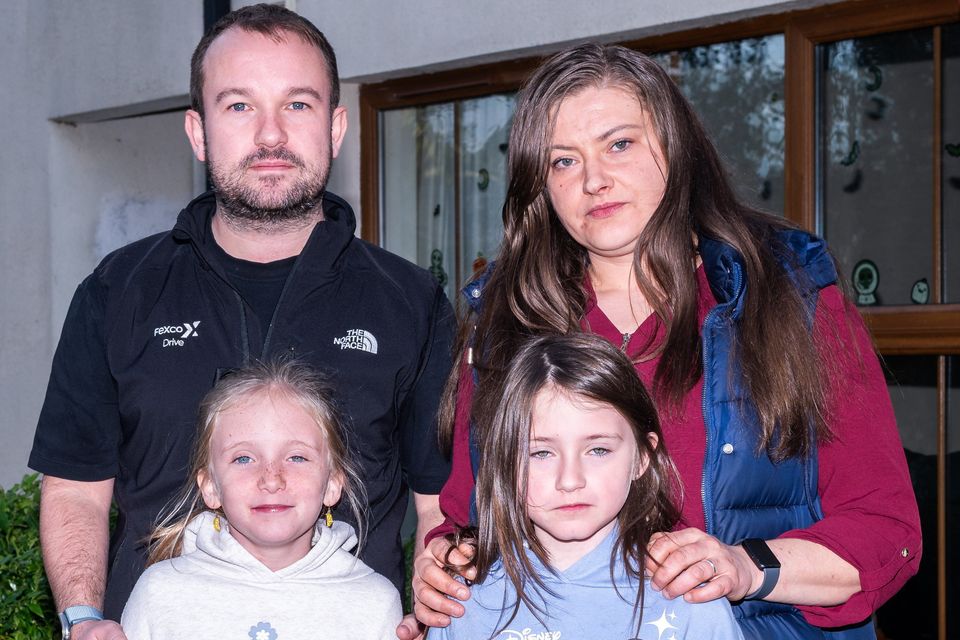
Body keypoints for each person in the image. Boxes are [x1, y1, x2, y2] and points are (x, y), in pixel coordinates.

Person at [413, 43, 921, 639]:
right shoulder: (508, 323)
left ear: (676, 148)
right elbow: (468, 519)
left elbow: (887, 533)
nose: (594, 180)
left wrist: (742, 566)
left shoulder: (790, 298)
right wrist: (444, 567)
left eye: (619, 144)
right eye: (563, 162)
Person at [28, 5, 453, 639]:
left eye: (298, 105)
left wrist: (432, 608)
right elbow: (76, 488)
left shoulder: (412, 301)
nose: (272, 135)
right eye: (239, 106)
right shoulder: (119, 292)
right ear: (198, 132)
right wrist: (85, 619)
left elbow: (437, 502)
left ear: (336, 128)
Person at [428, 334, 744, 640]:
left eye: (597, 450)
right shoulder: (461, 600)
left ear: (642, 458)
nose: (570, 480)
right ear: (504, 463)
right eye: (540, 453)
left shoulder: (690, 601)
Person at [120, 360, 402, 639]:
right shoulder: (160, 594)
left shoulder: (374, 603)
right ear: (210, 488)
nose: (271, 479)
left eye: (296, 457)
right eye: (244, 458)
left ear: (332, 485)